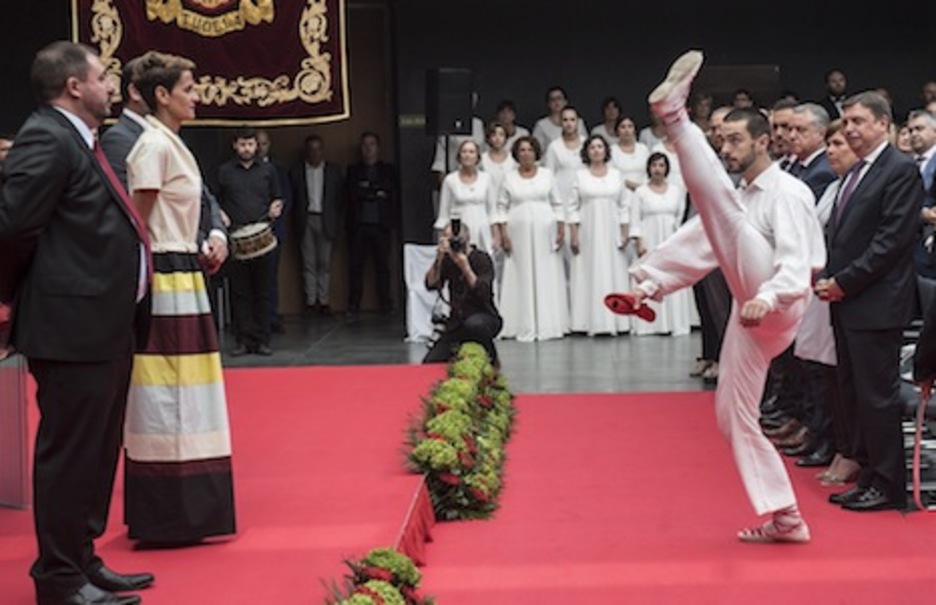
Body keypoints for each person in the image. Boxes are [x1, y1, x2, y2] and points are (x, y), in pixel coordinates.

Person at [622, 50, 825, 542]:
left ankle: (674, 116)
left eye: (734, 139)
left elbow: (801, 263)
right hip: (748, 313)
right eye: (720, 140)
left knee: (720, 212)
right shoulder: (742, 199)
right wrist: (650, 286)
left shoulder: (787, 193)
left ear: (764, 141)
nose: (727, 147)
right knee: (731, 415)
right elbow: (700, 245)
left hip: (778, 305)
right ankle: (786, 517)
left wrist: (770, 297)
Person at [0, 41, 154, 605]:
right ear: (74, 87)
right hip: (71, 326)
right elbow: (13, 227)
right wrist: (26, 295)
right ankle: (59, 579)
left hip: (101, 324)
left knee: (96, 452)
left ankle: (83, 560)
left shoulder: (77, 138)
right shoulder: (47, 135)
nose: (110, 85)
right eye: (102, 77)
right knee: (70, 456)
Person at [124, 50, 236, 545]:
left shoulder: (171, 142)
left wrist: (203, 245)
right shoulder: (152, 144)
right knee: (166, 393)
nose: (197, 96)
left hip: (183, 273)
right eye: (189, 89)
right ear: (162, 96)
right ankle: (169, 512)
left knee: (189, 394)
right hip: (165, 277)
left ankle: (195, 509)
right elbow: (134, 221)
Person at [818, 90, 922, 512]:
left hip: (876, 302)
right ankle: (868, 472)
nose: (850, 130)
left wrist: (843, 281)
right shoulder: (857, 172)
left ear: (883, 123)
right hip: (848, 300)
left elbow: (890, 243)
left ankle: (887, 483)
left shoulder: (898, 170)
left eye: (859, 121)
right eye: (846, 123)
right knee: (854, 393)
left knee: (877, 397)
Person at [793, 119, 861, 483]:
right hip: (823, 291)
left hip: (847, 290)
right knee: (825, 372)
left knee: (841, 377)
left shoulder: (859, 185)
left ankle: (847, 448)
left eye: (840, 144)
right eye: (831, 144)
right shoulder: (836, 186)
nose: (832, 151)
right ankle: (837, 443)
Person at [216, 127, 283, 355]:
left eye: (251, 144)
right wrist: (220, 214)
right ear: (235, 145)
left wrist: (277, 206)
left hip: (263, 236)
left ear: (256, 146)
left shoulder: (268, 170)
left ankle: (263, 339)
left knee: (263, 290)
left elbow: (277, 197)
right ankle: (244, 340)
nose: (247, 149)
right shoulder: (224, 171)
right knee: (240, 292)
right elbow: (214, 200)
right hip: (236, 237)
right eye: (243, 144)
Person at [495, 136, 568, 341]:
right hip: (517, 232)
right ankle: (520, 323)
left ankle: (548, 324)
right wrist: (504, 234)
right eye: (522, 150)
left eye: (529, 150)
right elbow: (501, 206)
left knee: (545, 274)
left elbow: (557, 204)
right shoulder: (509, 177)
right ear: (517, 154)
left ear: (536, 153)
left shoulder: (547, 175)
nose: (526, 154)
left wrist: (561, 228)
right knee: (521, 273)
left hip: (545, 231)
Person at [568, 134, 631, 335]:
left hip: (611, 231)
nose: (596, 150)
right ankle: (587, 322)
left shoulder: (616, 175)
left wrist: (624, 233)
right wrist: (574, 234)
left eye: (600, 147)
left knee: (612, 271)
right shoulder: (580, 176)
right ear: (587, 151)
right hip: (588, 232)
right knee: (589, 272)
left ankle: (617, 321)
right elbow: (572, 207)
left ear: (606, 151)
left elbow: (624, 205)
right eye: (592, 147)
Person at [629, 152, 691, 336]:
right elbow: (635, 219)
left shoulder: (675, 190)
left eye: (661, 165)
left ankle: (674, 324)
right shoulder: (641, 192)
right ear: (648, 168)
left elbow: (681, 216)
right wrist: (639, 241)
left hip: (670, 240)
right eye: (654, 165)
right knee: (649, 277)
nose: (658, 169)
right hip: (650, 239)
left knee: (670, 277)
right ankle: (649, 325)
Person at [423, 223, 501, 365]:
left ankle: (492, 359)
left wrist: (465, 267)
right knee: (430, 362)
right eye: (448, 239)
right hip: (456, 322)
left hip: (484, 316)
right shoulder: (447, 260)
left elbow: (483, 292)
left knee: (474, 325)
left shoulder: (481, 258)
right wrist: (438, 259)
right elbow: (430, 284)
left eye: (455, 239)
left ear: (467, 238)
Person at [346, 131, 399, 319]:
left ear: (378, 148)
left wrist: (367, 189)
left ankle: (386, 303)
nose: (368, 149)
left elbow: (389, 191)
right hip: (359, 225)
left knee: (383, 266)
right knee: (356, 267)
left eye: (372, 145)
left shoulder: (387, 170)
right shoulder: (353, 170)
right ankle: (353, 305)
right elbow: (353, 193)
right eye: (365, 145)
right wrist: (374, 192)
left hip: (381, 224)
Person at [290, 134, 344, 316]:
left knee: (325, 263)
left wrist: (338, 223)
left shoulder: (333, 171)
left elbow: (340, 200)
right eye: (311, 149)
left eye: (318, 148)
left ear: (323, 150)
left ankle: (324, 301)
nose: (315, 153)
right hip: (306, 220)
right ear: (306, 151)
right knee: (308, 263)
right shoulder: (297, 171)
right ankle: (310, 302)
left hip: (326, 220)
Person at [256, 129, 293, 333]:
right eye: (257, 143)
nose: (260, 148)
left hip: (273, 230)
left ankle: (271, 316)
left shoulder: (278, 169)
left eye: (264, 144)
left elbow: (287, 198)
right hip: (250, 231)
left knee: (270, 276)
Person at [435, 139, 498, 253]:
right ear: (459, 156)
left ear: (477, 157)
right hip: (459, 230)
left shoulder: (486, 178)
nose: (467, 155)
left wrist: (496, 236)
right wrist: (442, 239)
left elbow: (492, 210)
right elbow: (443, 214)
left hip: (482, 230)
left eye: (471, 152)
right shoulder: (450, 180)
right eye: (464, 152)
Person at [609, 115, 650, 192]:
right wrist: (631, 185)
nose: (627, 130)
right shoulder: (612, 150)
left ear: (634, 129)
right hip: (621, 191)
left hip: (643, 190)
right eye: (623, 127)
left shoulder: (643, 149)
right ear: (617, 130)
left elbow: (649, 171)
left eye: (630, 126)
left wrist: (642, 187)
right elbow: (611, 174)